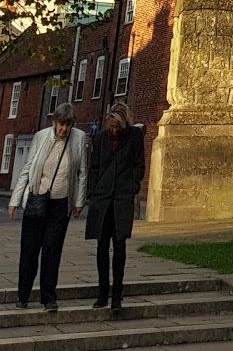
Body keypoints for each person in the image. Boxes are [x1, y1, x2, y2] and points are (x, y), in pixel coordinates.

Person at [8, 102, 88, 312]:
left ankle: (48, 298)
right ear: (54, 122)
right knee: (29, 250)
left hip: (60, 204)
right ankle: (23, 295)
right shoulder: (41, 136)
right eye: (61, 124)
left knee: (52, 252)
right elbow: (28, 168)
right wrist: (15, 200)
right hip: (37, 198)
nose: (64, 129)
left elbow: (81, 173)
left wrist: (78, 201)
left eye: (68, 125)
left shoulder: (79, 138)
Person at [85, 101, 145, 316]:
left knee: (119, 246)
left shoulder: (134, 138)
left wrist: (132, 186)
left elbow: (139, 165)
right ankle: (102, 293)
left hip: (121, 197)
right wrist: (92, 191)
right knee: (102, 246)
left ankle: (117, 295)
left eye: (117, 127)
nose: (113, 131)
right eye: (111, 127)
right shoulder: (100, 139)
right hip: (102, 198)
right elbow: (93, 166)